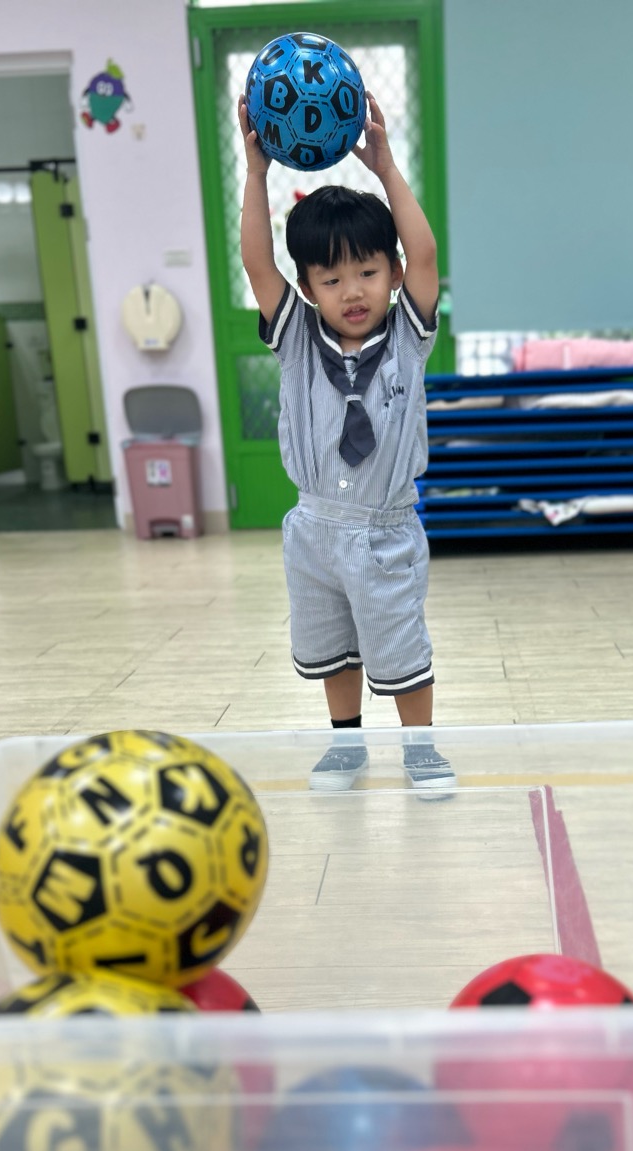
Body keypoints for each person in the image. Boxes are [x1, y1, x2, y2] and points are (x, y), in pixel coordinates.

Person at [238, 91, 456, 797]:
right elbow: (256, 263)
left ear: (392, 273)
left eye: (367, 272)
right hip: (313, 530)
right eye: (331, 280)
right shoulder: (297, 338)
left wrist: (386, 167)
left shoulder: (409, 335)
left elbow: (426, 251)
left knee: (399, 643)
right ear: (307, 288)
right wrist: (255, 173)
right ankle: (346, 744)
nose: (352, 291)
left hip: (385, 531)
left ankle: (420, 749)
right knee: (333, 649)